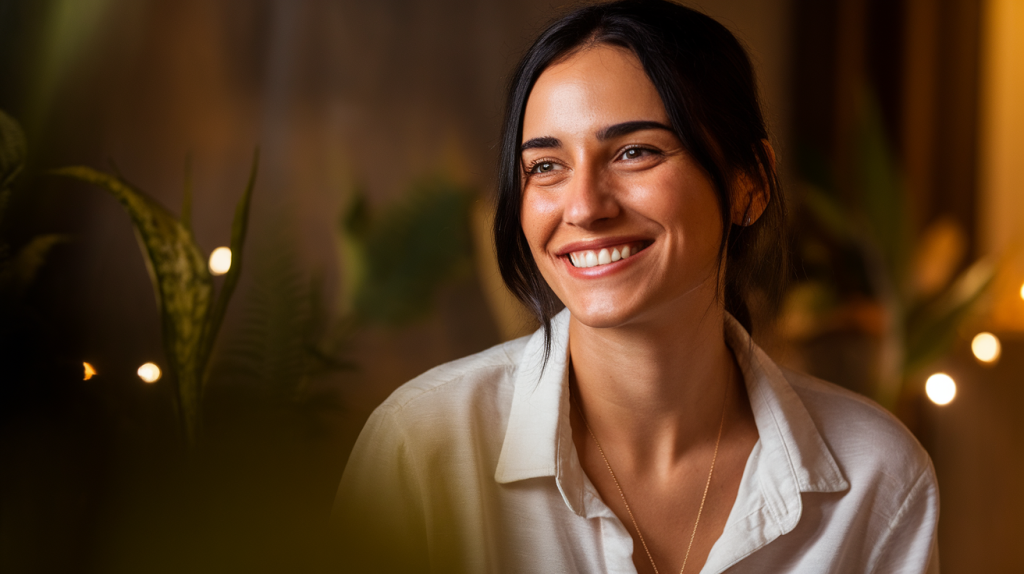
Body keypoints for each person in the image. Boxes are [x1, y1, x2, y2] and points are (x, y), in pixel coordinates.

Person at [332, 1, 939, 572]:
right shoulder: (424, 449)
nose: (585, 207)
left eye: (635, 152)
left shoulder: (876, 474)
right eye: (546, 166)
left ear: (749, 183)